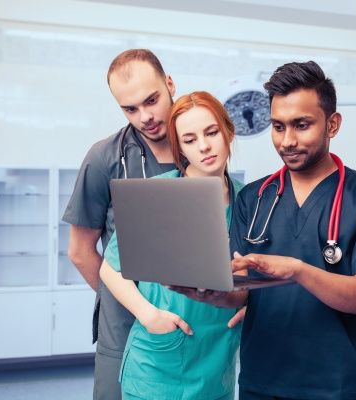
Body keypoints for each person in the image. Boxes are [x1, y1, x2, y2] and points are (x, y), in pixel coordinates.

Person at [174, 61, 356, 399]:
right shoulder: (253, 198)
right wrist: (215, 294)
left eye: (301, 125)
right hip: (262, 383)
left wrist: (297, 271)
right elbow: (243, 292)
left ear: (332, 125)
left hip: (340, 385)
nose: (287, 140)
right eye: (278, 127)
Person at [99, 91, 244, 400]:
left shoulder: (251, 200)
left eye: (211, 132)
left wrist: (250, 305)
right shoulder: (157, 196)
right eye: (189, 140)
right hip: (158, 363)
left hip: (217, 363)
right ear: (180, 149)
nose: (204, 146)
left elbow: (260, 272)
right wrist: (148, 315)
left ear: (228, 131)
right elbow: (110, 269)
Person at [62, 49, 178, 400]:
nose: (145, 117)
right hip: (126, 324)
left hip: (188, 317)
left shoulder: (198, 148)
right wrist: (128, 302)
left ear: (170, 84)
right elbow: (80, 252)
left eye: (152, 100)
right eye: (130, 109)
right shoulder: (105, 158)